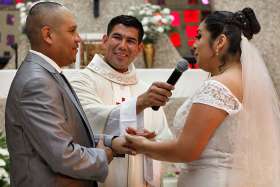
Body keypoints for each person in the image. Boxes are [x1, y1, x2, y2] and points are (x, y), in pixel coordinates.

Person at [125, 7, 280, 187]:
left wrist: (140, 145)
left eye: (199, 36)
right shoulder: (248, 83)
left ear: (220, 41)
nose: (193, 44)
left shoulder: (217, 87)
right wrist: (154, 142)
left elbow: (186, 151)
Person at [5, 2, 132, 187]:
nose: (78, 39)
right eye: (72, 31)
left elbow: (64, 135)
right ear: (48, 35)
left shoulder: (47, 74)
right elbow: (63, 155)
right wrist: (105, 154)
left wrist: (111, 142)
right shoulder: (37, 82)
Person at [70, 15, 173, 187]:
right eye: (117, 37)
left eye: (131, 41)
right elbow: (86, 120)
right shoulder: (82, 81)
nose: (122, 46)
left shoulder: (145, 89)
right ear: (105, 40)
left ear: (139, 48)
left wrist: (150, 142)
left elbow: (164, 138)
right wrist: (139, 104)